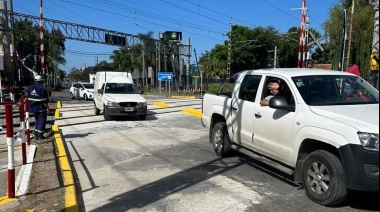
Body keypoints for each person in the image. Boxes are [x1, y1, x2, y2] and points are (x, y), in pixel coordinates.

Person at [28, 75, 50, 140]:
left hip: (32, 108)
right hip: (40, 108)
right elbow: (44, 101)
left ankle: (36, 134)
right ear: (40, 81)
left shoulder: (30, 88)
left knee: (37, 120)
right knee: (41, 121)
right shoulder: (42, 89)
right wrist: (47, 108)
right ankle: (40, 136)